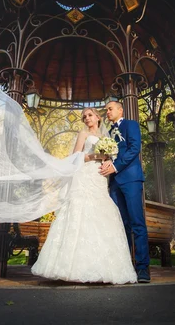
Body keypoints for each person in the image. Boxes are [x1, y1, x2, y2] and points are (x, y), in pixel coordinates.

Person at [31, 107, 137, 284]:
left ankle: (103, 267)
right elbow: (76, 158)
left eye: (90, 115)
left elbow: (113, 157)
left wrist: (108, 160)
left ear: (97, 117)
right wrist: (95, 155)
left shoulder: (109, 137)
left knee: (101, 213)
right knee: (80, 210)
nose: (87, 118)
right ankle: (71, 268)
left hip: (100, 177)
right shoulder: (83, 134)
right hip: (85, 175)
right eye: (84, 117)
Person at [99, 101, 150, 283]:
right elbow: (107, 153)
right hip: (114, 184)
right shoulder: (107, 132)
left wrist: (115, 166)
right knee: (121, 226)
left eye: (110, 109)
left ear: (120, 110)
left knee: (137, 223)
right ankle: (125, 267)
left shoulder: (131, 125)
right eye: (106, 110)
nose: (107, 112)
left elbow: (134, 148)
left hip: (130, 178)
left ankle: (143, 268)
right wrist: (105, 162)